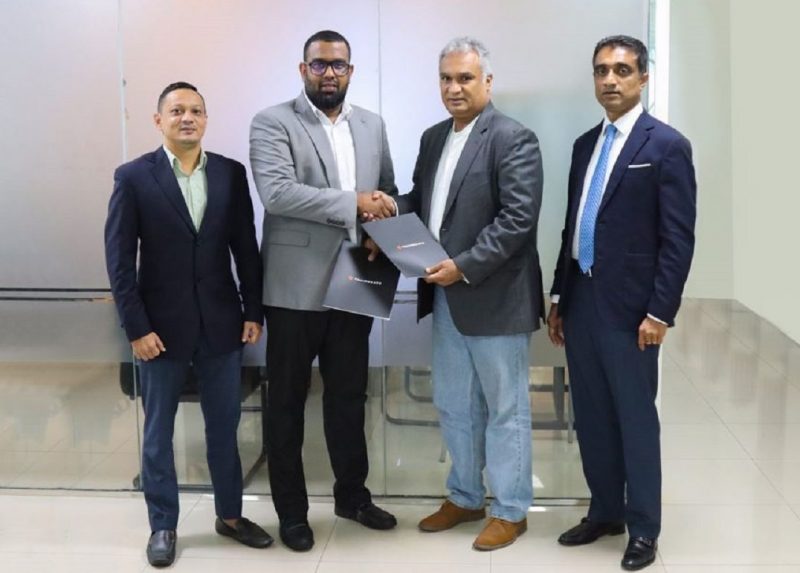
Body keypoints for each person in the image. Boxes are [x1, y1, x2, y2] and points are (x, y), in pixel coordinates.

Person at [104, 82, 272, 567]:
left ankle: (231, 516)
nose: (187, 118)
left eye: (196, 110)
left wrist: (253, 310)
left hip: (222, 324)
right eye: (177, 110)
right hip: (159, 332)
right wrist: (136, 328)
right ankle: (163, 525)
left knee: (225, 427)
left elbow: (246, 248)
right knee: (158, 433)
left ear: (206, 119)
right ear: (159, 120)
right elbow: (119, 261)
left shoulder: (229, 174)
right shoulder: (134, 177)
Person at [547, 35, 696, 571]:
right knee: (591, 415)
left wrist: (660, 312)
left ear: (643, 77)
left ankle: (644, 528)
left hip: (633, 311)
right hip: (582, 299)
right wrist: (559, 294)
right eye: (601, 70)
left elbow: (678, 239)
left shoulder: (666, 146)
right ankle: (605, 511)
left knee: (635, 418)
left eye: (622, 70)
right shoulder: (585, 144)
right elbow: (573, 225)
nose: (610, 79)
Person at [392, 37, 544, 551]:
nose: (454, 88)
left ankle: (511, 509)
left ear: (488, 82)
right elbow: (422, 201)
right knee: (454, 404)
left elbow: (517, 221)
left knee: (505, 408)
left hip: (493, 297)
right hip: (445, 297)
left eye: (465, 78)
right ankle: (465, 495)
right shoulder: (434, 137)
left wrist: (463, 267)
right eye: (446, 78)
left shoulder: (513, 138)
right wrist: (387, 210)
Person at [249, 30, 398, 552]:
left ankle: (352, 497)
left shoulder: (372, 124)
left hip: (359, 276)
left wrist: (381, 227)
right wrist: (355, 203)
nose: (329, 73)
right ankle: (291, 513)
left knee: (349, 396)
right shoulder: (273, 121)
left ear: (351, 71)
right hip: (295, 285)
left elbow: (387, 191)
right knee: (288, 402)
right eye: (319, 64)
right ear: (303, 69)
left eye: (338, 65)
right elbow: (278, 193)